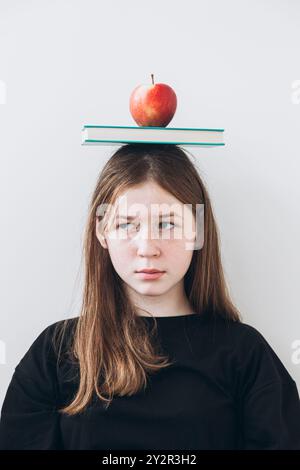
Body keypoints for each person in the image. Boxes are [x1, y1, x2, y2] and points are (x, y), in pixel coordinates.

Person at [0, 143, 299, 450]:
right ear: (102, 233)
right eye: (127, 224)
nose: (147, 247)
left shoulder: (245, 354)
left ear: (197, 231)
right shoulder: (55, 352)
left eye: (167, 224)